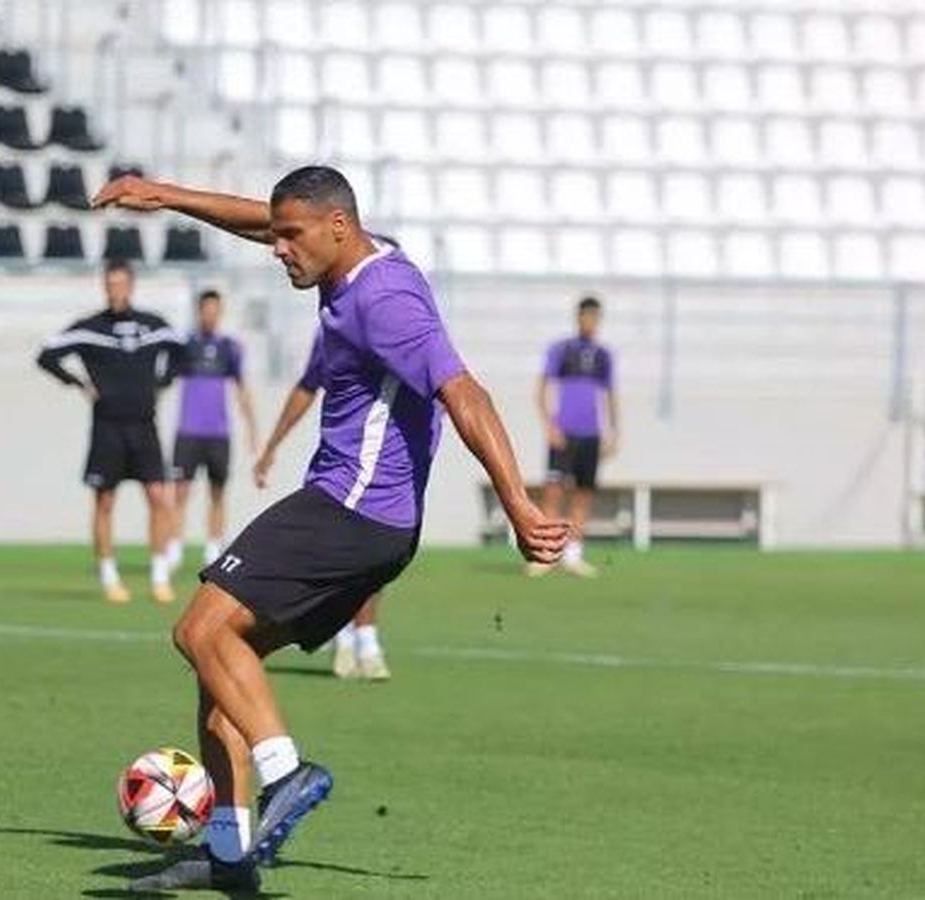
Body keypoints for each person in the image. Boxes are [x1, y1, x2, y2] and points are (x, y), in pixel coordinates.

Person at [93, 165, 571, 892]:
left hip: (352, 508)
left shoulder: (386, 299)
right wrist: (168, 196)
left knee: (198, 631)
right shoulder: (341, 254)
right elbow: (263, 217)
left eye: (291, 237)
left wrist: (517, 503)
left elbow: (463, 390)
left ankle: (289, 770)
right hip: (365, 517)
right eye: (278, 234)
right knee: (223, 667)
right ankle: (229, 856)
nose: (277, 247)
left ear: (337, 228)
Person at [36, 259, 181, 605]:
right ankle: (108, 575)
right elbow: (46, 355)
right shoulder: (90, 328)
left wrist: (162, 381)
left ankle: (160, 575)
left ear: (131, 286)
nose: (115, 290)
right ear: (105, 288)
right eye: (110, 285)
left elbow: (182, 351)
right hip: (107, 427)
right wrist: (77, 383)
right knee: (104, 501)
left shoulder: (153, 325)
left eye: (121, 284)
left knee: (159, 497)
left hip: (145, 425)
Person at [254, 332, 391, 681]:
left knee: (373, 562)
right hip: (335, 473)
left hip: (381, 471)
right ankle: (345, 638)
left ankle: (366, 640)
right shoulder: (334, 330)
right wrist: (272, 445)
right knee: (334, 561)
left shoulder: (401, 329)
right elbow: (307, 386)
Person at [168, 289, 258, 572]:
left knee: (217, 492)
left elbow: (241, 388)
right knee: (180, 491)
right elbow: (164, 380)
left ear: (220, 312)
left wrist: (252, 428)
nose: (209, 315)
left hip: (218, 432)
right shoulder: (185, 346)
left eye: (214, 310)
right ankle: (173, 546)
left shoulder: (229, 348)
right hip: (189, 430)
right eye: (205, 310)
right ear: (198, 312)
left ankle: (213, 547)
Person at [529, 295, 618, 579]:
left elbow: (611, 395)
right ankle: (545, 555)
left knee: (583, 495)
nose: (590, 323)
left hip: (590, 435)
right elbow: (542, 389)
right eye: (586, 317)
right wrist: (550, 426)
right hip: (563, 434)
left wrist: (612, 431)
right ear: (578, 318)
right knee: (553, 493)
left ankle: (573, 555)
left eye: (595, 318)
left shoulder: (604, 356)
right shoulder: (561, 350)